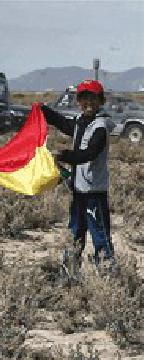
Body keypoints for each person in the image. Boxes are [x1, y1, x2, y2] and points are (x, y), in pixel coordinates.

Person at [40, 80, 114, 266]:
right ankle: (70, 271)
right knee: (74, 233)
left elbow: (89, 154)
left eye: (93, 97)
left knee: (100, 236)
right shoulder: (81, 122)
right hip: (79, 192)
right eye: (84, 97)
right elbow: (63, 124)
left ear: (101, 101)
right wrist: (43, 111)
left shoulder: (100, 127)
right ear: (78, 101)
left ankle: (108, 278)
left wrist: (64, 155)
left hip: (94, 194)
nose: (88, 102)